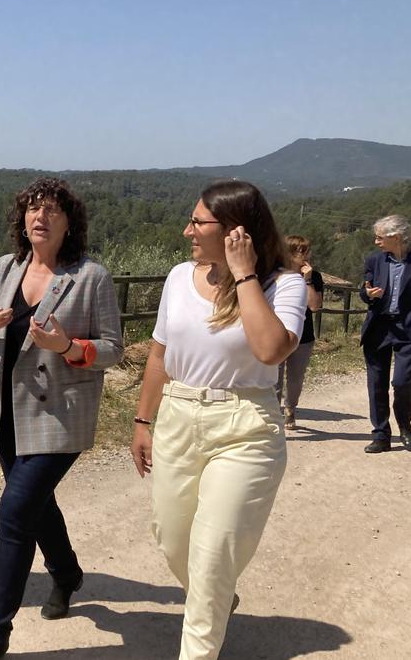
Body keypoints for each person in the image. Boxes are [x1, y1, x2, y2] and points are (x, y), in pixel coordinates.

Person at [130, 180, 306, 660]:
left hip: (246, 425)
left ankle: (201, 637)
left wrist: (245, 274)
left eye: (198, 222)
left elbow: (271, 348)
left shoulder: (282, 284)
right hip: (179, 417)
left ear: (235, 231)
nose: (187, 230)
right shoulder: (178, 277)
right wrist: (144, 421)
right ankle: (218, 597)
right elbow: (159, 355)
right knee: (171, 539)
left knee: (211, 557)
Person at [0, 178, 124, 659]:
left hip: (60, 418)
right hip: (6, 415)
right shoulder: (1, 269)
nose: (41, 216)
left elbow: (113, 349)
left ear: (69, 222)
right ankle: (68, 574)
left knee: (14, 514)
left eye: (53, 210)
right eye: (34, 208)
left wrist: (68, 346)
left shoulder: (90, 277)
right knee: (36, 505)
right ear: (22, 218)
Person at [359, 215, 411, 453]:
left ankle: (405, 424)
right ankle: (381, 435)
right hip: (378, 328)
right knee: (376, 383)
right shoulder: (374, 260)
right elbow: (364, 291)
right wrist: (368, 295)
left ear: (396, 237)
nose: (376, 242)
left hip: (409, 330)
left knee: (402, 381)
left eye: (380, 237)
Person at [276, 235, 324, 429]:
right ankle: (272, 412)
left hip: (303, 337)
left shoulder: (314, 277)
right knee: (273, 378)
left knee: (295, 378)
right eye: (301, 251)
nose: (306, 255)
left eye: (307, 250)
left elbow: (314, 306)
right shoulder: (275, 276)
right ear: (288, 253)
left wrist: (308, 280)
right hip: (277, 333)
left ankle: (290, 408)